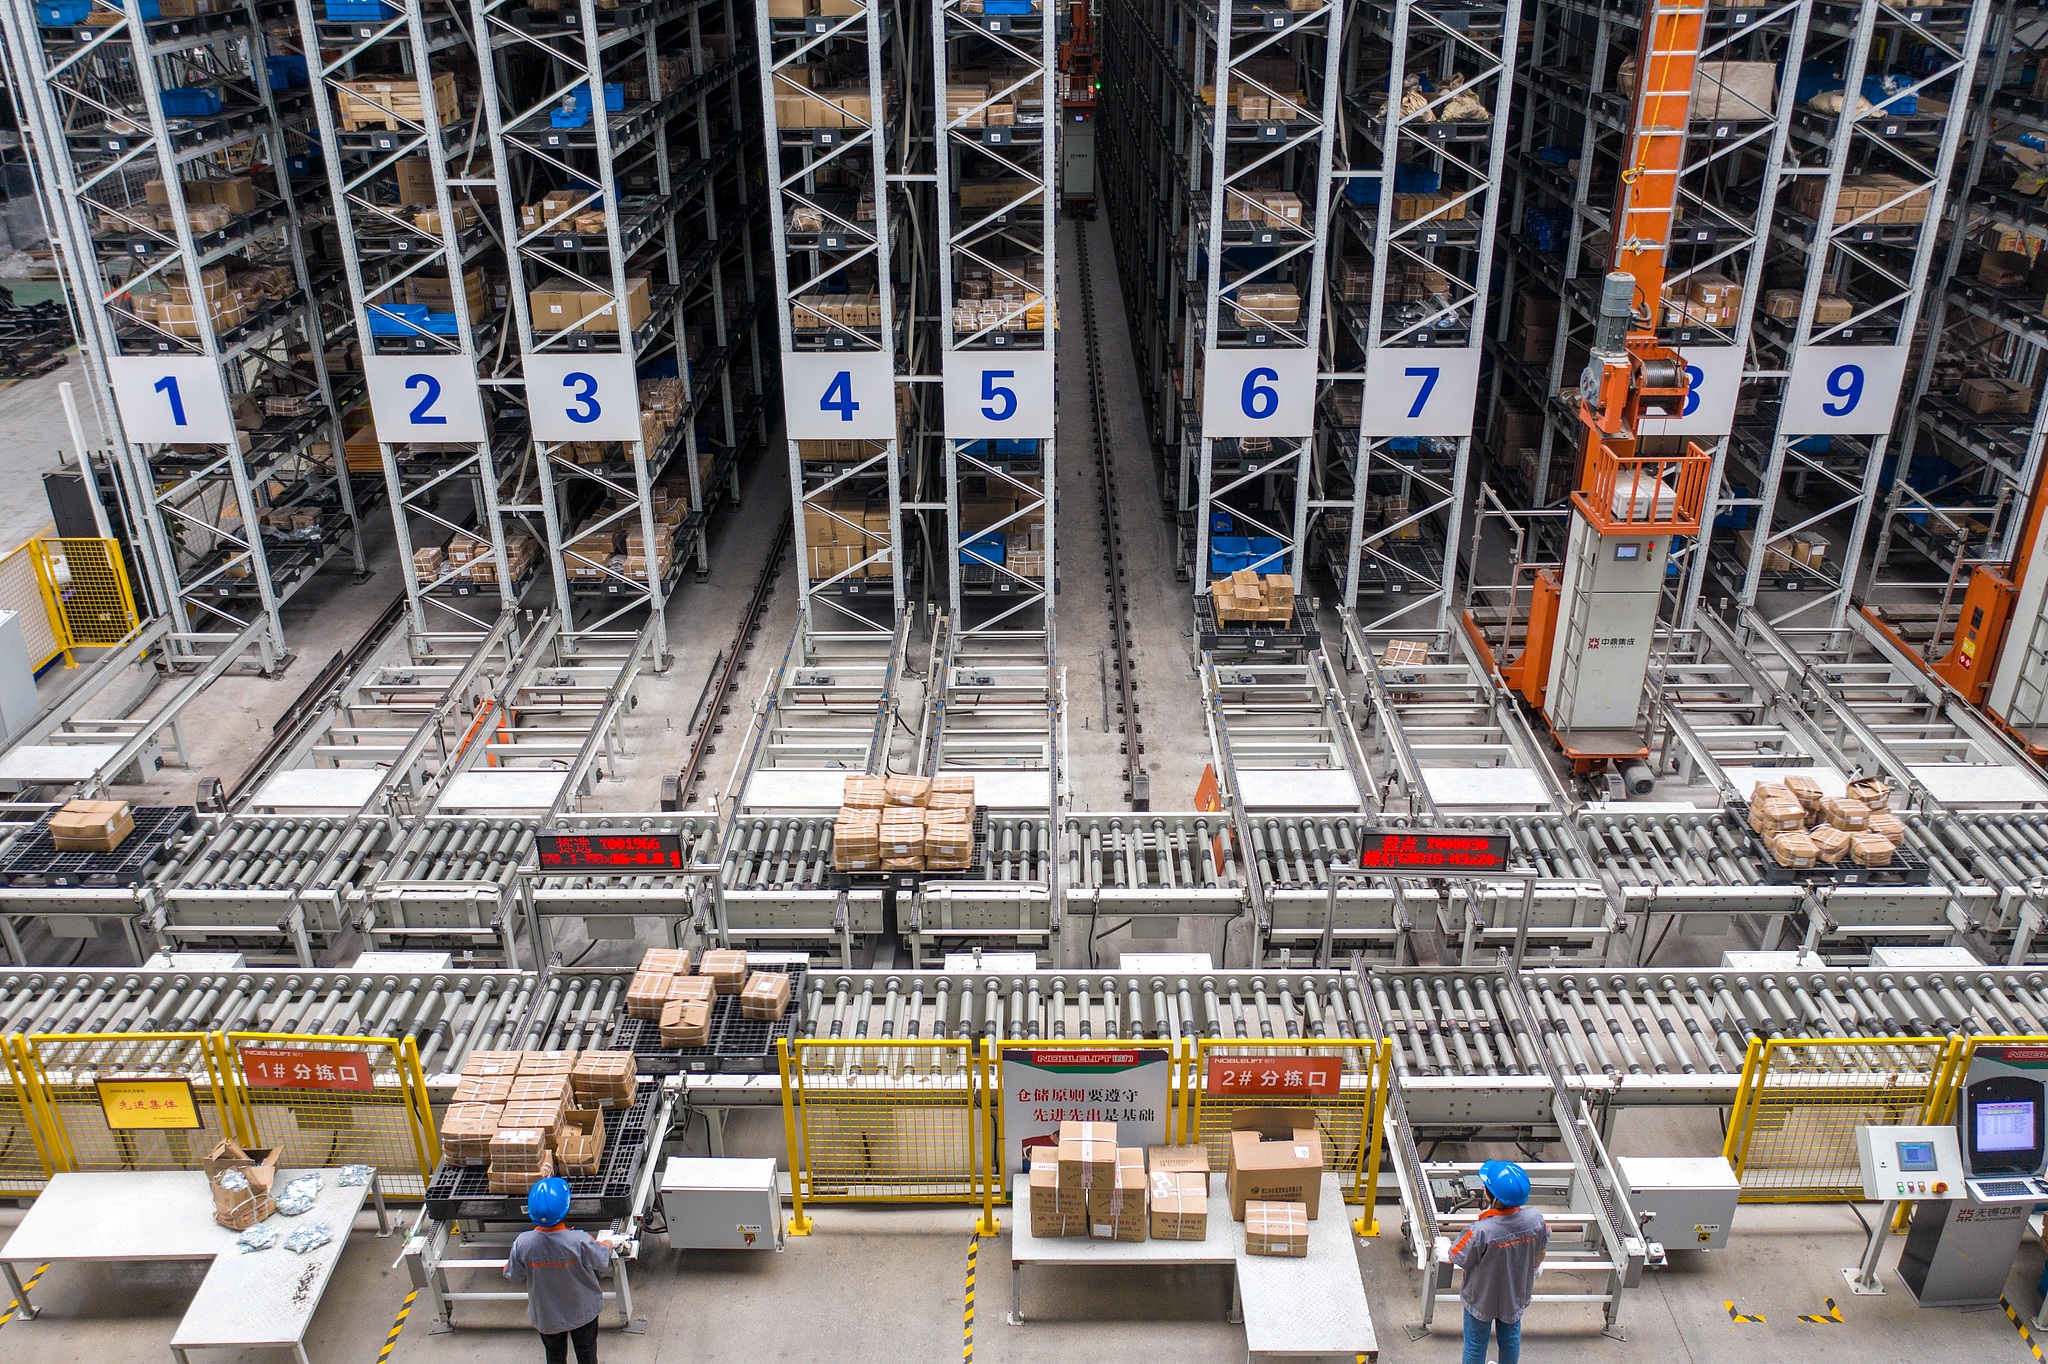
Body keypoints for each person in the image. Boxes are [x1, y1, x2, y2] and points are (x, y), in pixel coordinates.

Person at [504, 1176, 619, 1364]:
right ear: (566, 1207)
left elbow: (513, 1274)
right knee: (587, 1353)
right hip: (583, 1312)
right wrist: (608, 1244)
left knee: (554, 1356)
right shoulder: (579, 1240)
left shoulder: (523, 1243)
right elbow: (601, 1260)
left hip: (547, 1315)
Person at [1447, 1160, 1549, 1364]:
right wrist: (1535, 1267)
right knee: (1511, 1340)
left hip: (1481, 1297)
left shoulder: (1480, 1231)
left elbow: (1457, 1255)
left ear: (1488, 1194)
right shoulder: (1535, 1219)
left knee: (1475, 1346)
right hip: (1514, 1295)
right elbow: (1540, 1252)